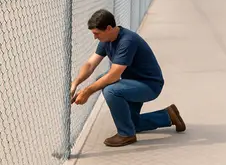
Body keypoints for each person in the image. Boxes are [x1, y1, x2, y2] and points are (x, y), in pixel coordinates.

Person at [70, 9, 185, 147]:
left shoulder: (127, 41)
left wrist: (87, 92)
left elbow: (114, 75)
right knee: (132, 122)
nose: (95, 37)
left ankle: (126, 134)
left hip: (149, 85)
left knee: (110, 90)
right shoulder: (107, 39)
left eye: (96, 33)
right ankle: (168, 115)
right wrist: (75, 83)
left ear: (108, 28)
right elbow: (90, 64)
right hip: (132, 83)